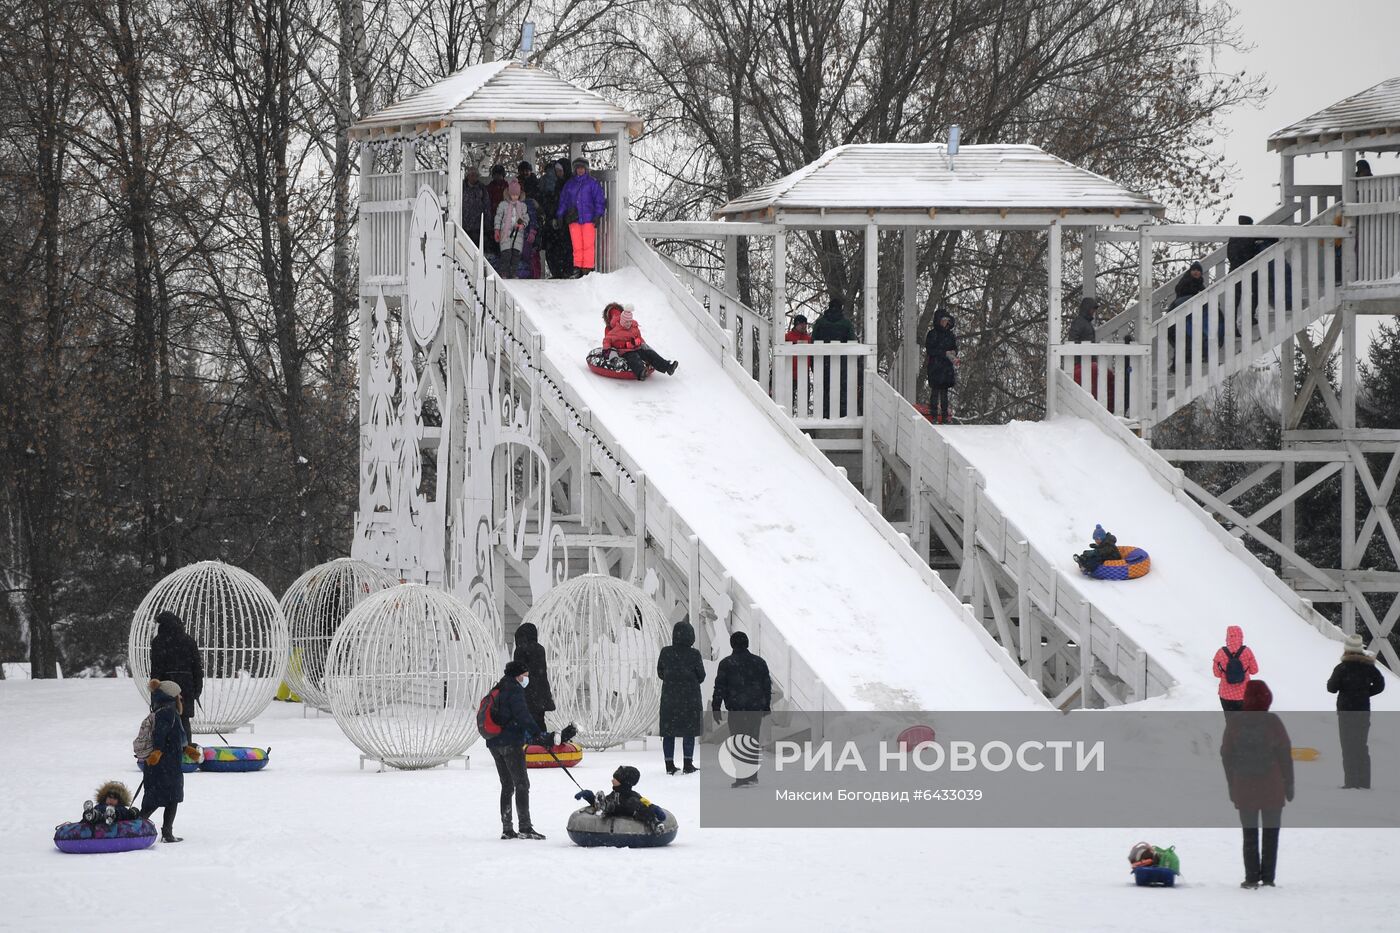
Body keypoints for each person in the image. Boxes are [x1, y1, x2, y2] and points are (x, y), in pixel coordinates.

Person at [1220, 679, 1293, 888]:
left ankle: (1251, 878)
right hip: (1272, 785)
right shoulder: (1273, 722)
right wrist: (1289, 784)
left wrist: (1232, 784)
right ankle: (1268, 878)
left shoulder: (1235, 722)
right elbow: (1285, 755)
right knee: (1271, 834)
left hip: (1244, 785)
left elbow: (1226, 755)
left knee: (1249, 834)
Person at [485, 660, 549, 840]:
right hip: (510, 742)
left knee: (507, 785)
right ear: (518, 675)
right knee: (522, 784)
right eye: (526, 676)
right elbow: (523, 715)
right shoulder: (514, 690)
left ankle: (507, 828)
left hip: (494, 743)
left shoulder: (498, 687)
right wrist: (537, 733)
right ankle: (525, 827)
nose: (527, 679)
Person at [711, 631, 772, 787]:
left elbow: (720, 687)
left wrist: (716, 707)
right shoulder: (759, 662)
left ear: (732, 644)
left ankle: (742, 777)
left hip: (736, 709)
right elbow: (766, 686)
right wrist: (766, 706)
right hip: (755, 709)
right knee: (752, 740)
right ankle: (752, 775)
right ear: (747, 644)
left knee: (738, 742)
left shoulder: (726, 664)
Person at [1326, 633, 1386, 789]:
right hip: (1363, 711)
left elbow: (1331, 688)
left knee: (1348, 747)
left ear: (1346, 650)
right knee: (1361, 746)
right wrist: (1365, 692)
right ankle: (1365, 783)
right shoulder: (1369, 667)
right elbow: (1380, 685)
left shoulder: (1342, 668)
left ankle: (1351, 782)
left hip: (1346, 712)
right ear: (1361, 650)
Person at [140, 680, 196, 843]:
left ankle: (159, 830)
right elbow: (161, 734)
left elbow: (175, 735)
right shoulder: (168, 711)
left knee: (165, 798)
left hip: (167, 762)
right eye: (179, 694)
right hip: (165, 763)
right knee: (165, 798)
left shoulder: (164, 709)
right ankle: (141, 827)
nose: (181, 697)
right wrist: (158, 751)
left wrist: (186, 748)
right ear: (172, 696)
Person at [657, 620, 706, 775]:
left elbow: (660, 673)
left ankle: (669, 765)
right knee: (689, 732)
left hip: (670, 698)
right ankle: (688, 763)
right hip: (690, 699)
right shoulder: (694, 654)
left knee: (668, 733)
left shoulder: (666, 652)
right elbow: (701, 675)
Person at [150, 610, 202, 743]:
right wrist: (197, 689)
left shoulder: (159, 641)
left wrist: (154, 690)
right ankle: (186, 749)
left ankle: (166, 751)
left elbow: (156, 668)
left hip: (166, 686)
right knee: (184, 720)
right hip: (187, 685)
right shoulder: (189, 640)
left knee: (164, 719)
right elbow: (197, 667)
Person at [573, 766, 668, 833]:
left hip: (629, 811)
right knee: (611, 803)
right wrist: (588, 795)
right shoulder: (614, 793)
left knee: (633, 803)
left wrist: (655, 808)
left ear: (624, 782)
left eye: (615, 779)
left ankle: (654, 823)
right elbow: (606, 800)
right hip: (615, 810)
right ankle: (604, 806)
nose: (612, 780)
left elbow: (645, 802)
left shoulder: (632, 795)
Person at [557, 157, 606, 277]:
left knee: (588, 246)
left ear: (586, 169)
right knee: (577, 246)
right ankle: (577, 268)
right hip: (574, 219)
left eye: (582, 168)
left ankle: (587, 270)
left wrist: (598, 215)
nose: (580, 170)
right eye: (578, 168)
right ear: (575, 169)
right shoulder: (570, 184)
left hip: (588, 219)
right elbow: (563, 200)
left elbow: (599, 200)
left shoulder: (592, 183)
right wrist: (560, 214)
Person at [603, 303, 678, 381]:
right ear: (622, 321)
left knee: (650, 354)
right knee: (634, 358)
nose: (628, 324)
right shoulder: (615, 331)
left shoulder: (634, 326)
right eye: (626, 322)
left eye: (629, 322)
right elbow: (607, 340)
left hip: (637, 347)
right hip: (625, 351)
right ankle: (641, 372)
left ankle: (668, 367)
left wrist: (642, 344)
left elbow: (639, 337)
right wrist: (607, 349)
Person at [812, 298, 856, 418]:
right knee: (841, 390)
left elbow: (813, 342)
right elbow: (852, 343)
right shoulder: (846, 324)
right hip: (842, 363)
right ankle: (842, 416)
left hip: (822, 362)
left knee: (824, 390)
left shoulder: (820, 323)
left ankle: (824, 416)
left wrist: (813, 364)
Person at [511, 622, 555, 735]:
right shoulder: (540, 649)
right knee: (540, 721)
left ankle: (529, 746)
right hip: (541, 693)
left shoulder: (520, 650)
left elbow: (517, 672)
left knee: (526, 722)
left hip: (526, 693)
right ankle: (543, 745)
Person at [1213, 624, 1259, 712]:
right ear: (1241, 636)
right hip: (1243, 694)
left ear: (1227, 637)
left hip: (1225, 695)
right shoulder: (1247, 651)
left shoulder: (1221, 652)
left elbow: (1216, 674)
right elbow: (1254, 670)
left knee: (1230, 720)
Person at [540, 159, 574, 279]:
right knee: (553, 246)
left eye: (560, 170)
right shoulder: (557, 184)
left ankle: (567, 271)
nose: (558, 173)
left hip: (567, 222)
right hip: (557, 221)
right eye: (557, 171)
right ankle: (557, 272)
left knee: (566, 246)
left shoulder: (570, 184)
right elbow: (554, 202)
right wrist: (554, 216)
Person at [925, 310, 959, 424]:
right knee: (935, 392)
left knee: (944, 393)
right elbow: (930, 350)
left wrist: (953, 353)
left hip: (946, 368)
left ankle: (945, 416)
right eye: (943, 320)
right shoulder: (932, 334)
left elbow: (955, 347)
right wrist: (943, 353)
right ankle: (933, 416)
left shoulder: (950, 335)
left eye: (947, 320)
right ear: (938, 321)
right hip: (935, 367)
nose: (945, 323)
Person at [494, 179, 532, 279]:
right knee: (506, 253)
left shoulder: (522, 206)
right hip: (505, 233)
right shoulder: (503, 205)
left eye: (517, 195)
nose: (515, 197)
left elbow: (526, 217)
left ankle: (513, 273)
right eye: (513, 195)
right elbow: (498, 217)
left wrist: (523, 225)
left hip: (518, 233)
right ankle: (504, 273)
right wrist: (497, 230)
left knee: (516, 254)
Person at [461, 166, 492, 246]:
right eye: (471, 175)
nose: (474, 177)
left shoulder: (482, 188)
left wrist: (487, 223)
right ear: (467, 176)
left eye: (476, 175)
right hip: (464, 224)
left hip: (477, 225)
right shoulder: (461, 187)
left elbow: (486, 205)